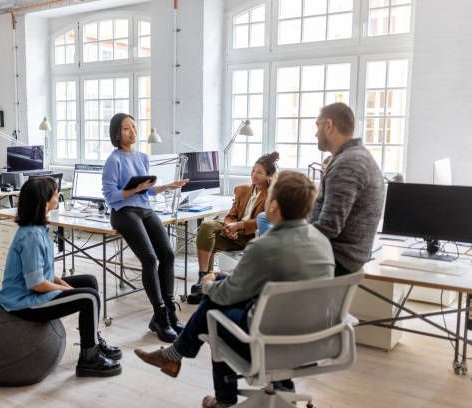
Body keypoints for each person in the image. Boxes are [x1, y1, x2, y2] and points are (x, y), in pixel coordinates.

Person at [134, 171, 335, 408]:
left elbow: (228, 295)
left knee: (213, 312)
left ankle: (215, 393)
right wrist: (229, 278)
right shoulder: (321, 241)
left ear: (274, 207)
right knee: (224, 292)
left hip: (269, 340)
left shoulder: (264, 246)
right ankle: (279, 383)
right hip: (314, 339)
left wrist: (209, 285)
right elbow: (276, 283)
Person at [0, 177, 122, 378]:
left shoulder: (38, 228)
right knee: (89, 297)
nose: (58, 196)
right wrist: (68, 292)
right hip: (25, 302)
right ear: (44, 202)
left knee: (89, 282)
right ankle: (88, 359)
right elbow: (37, 283)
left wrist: (65, 285)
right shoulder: (31, 236)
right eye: (55, 194)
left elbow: (44, 272)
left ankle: (93, 342)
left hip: (33, 291)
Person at [102, 113, 189, 343]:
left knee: (168, 254)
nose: (133, 132)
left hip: (144, 209)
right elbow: (111, 196)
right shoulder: (114, 160)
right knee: (149, 259)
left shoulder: (142, 157)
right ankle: (159, 315)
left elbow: (147, 191)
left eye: (134, 127)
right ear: (117, 134)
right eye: (126, 128)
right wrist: (135, 189)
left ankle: (169, 311)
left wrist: (166, 187)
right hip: (123, 212)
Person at [188, 152, 280, 304]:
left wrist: (239, 226)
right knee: (206, 228)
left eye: (259, 172)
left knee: (209, 237)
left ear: (269, 176)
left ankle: (206, 285)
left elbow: (263, 220)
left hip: (250, 237)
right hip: (234, 233)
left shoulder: (273, 195)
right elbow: (231, 214)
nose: (254, 175)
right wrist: (229, 226)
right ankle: (203, 276)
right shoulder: (242, 190)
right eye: (253, 170)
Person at [310, 102, 384, 276]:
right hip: (340, 258)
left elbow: (329, 227)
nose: (315, 133)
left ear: (329, 125)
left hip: (334, 260)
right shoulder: (356, 156)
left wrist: (290, 238)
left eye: (317, 125)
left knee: (262, 262)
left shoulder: (348, 164)